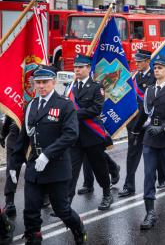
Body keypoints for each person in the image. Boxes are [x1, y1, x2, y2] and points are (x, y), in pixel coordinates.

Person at [9, 64, 87, 244]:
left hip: (56, 165)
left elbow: (71, 135)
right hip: (34, 166)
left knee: (61, 210)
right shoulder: (31, 106)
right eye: (37, 82)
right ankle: (33, 238)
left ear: (53, 82)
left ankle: (78, 227)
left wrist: (48, 154)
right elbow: (24, 138)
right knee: (30, 210)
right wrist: (14, 165)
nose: (41, 86)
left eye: (44, 82)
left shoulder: (64, 105)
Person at [130, 55, 165, 229]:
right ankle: (150, 213)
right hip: (150, 138)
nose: (156, 70)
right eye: (155, 68)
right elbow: (144, 112)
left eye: (160, 68)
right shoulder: (149, 90)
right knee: (149, 174)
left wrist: (163, 128)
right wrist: (134, 131)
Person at [118, 49, 165, 197]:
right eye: (136, 61)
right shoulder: (133, 77)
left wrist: (151, 119)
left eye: (140, 61)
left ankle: (163, 177)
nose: (137, 63)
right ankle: (129, 186)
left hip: (151, 122)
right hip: (134, 122)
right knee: (132, 154)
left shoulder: (156, 76)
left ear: (148, 62)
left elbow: (159, 99)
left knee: (155, 152)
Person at [67, 54, 112, 210]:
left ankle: (107, 194)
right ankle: (66, 203)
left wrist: (73, 114)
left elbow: (96, 109)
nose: (77, 70)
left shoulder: (96, 86)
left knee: (99, 166)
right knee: (71, 169)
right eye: (75, 67)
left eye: (80, 67)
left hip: (92, 133)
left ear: (88, 68)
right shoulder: (71, 87)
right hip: (75, 135)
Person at [0, 116, 51, 217]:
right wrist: (3, 134)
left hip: (31, 141)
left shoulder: (35, 101)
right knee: (10, 170)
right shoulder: (16, 100)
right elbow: (10, 114)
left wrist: (22, 125)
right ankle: (9, 203)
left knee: (36, 169)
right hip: (14, 140)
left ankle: (46, 194)